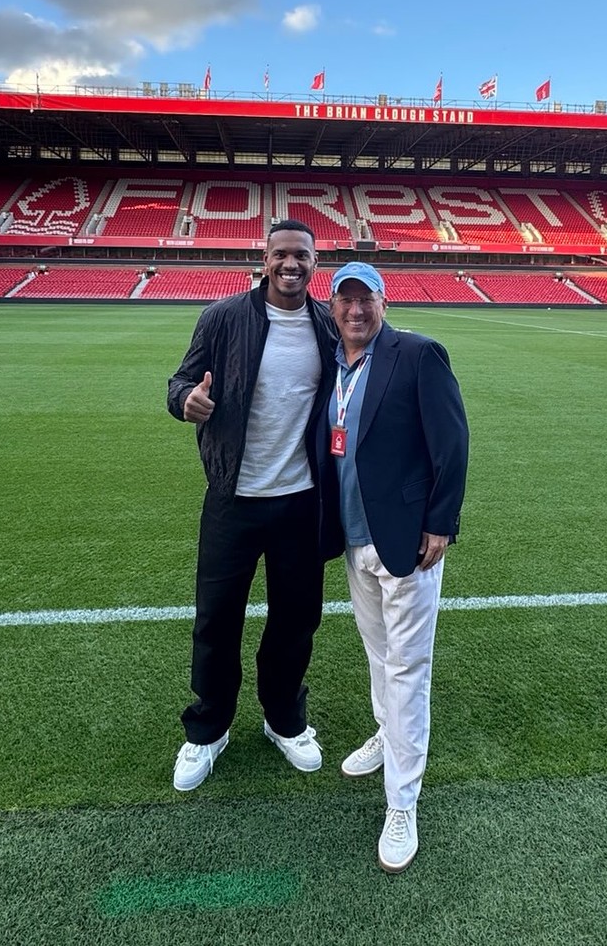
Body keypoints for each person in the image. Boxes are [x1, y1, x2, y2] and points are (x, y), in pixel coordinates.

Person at [166, 220, 337, 791]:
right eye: (281, 254)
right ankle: (207, 730)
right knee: (217, 619)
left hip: (300, 503)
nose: (292, 264)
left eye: (303, 256)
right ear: (264, 259)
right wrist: (184, 400)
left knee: (295, 620)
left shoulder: (326, 325)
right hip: (232, 499)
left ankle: (283, 720)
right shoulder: (222, 318)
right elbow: (180, 379)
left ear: (316, 262)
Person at [319, 261, 469, 872]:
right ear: (334, 308)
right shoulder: (333, 364)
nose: (355, 310)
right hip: (356, 537)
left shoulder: (417, 353)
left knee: (408, 667)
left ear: (384, 301)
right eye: (345, 300)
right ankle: (387, 734)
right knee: (378, 655)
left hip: (406, 538)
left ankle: (403, 801)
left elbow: (452, 441)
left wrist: (441, 521)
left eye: (366, 299)